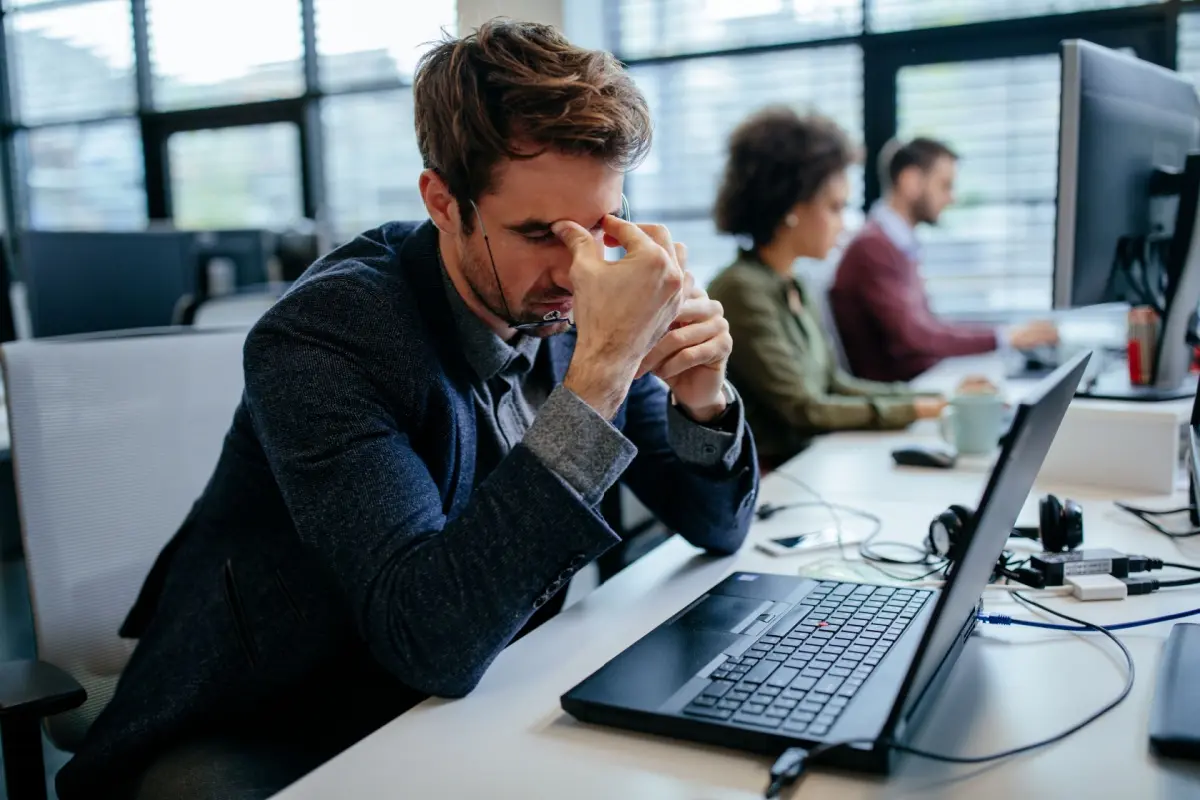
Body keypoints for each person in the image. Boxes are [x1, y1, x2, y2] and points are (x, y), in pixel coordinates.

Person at [56, 19, 758, 800]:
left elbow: (719, 525)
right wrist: (602, 375)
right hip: (288, 706)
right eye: (537, 233)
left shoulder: (573, 306)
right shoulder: (327, 337)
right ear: (442, 200)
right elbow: (432, 637)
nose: (575, 269)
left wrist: (705, 392)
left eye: (598, 227)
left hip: (469, 684)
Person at [707, 108, 945, 469]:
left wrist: (938, 397)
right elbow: (806, 409)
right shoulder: (740, 290)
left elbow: (834, 382)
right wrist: (918, 408)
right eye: (835, 207)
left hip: (813, 464)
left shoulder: (796, 282)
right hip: (772, 481)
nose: (844, 222)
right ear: (792, 207)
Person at [829, 137, 1059, 383]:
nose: (952, 198)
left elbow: (928, 327)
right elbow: (915, 336)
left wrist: (1004, 337)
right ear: (911, 181)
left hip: (922, 380)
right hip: (902, 393)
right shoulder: (873, 247)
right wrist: (1004, 338)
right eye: (945, 186)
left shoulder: (896, 242)